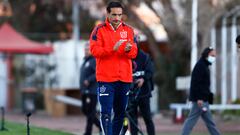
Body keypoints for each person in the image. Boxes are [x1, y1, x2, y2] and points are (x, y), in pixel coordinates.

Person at [89, 1, 138, 135]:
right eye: (114, 15)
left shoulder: (129, 30)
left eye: (119, 15)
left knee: (120, 113)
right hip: (106, 79)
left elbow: (134, 53)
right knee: (105, 112)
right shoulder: (99, 29)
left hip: (124, 79)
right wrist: (112, 49)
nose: (117, 18)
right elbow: (94, 51)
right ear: (108, 14)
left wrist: (129, 50)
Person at [181, 47, 221, 135]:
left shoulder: (204, 65)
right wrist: (199, 98)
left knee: (210, 123)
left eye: (214, 56)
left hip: (204, 99)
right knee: (191, 121)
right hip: (200, 100)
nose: (214, 57)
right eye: (212, 55)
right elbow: (196, 83)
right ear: (206, 55)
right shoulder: (200, 66)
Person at [126, 45, 155, 135]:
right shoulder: (125, 56)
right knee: (132, 120)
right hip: (131, 94)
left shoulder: (145, 56)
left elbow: (150, 71)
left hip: (144, 94)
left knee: (147, 118)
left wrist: (143, 79)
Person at [79, 42, 101, 135]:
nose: (86, 51)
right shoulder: (85, 61)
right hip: (85, 91)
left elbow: (98, 72)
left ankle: (88, 132)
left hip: (92, 91)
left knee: (90, 112)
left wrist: (89, 80)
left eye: (88, 49)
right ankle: (100, 126)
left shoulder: (93, 60)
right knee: (85, 110)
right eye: (85, 49)